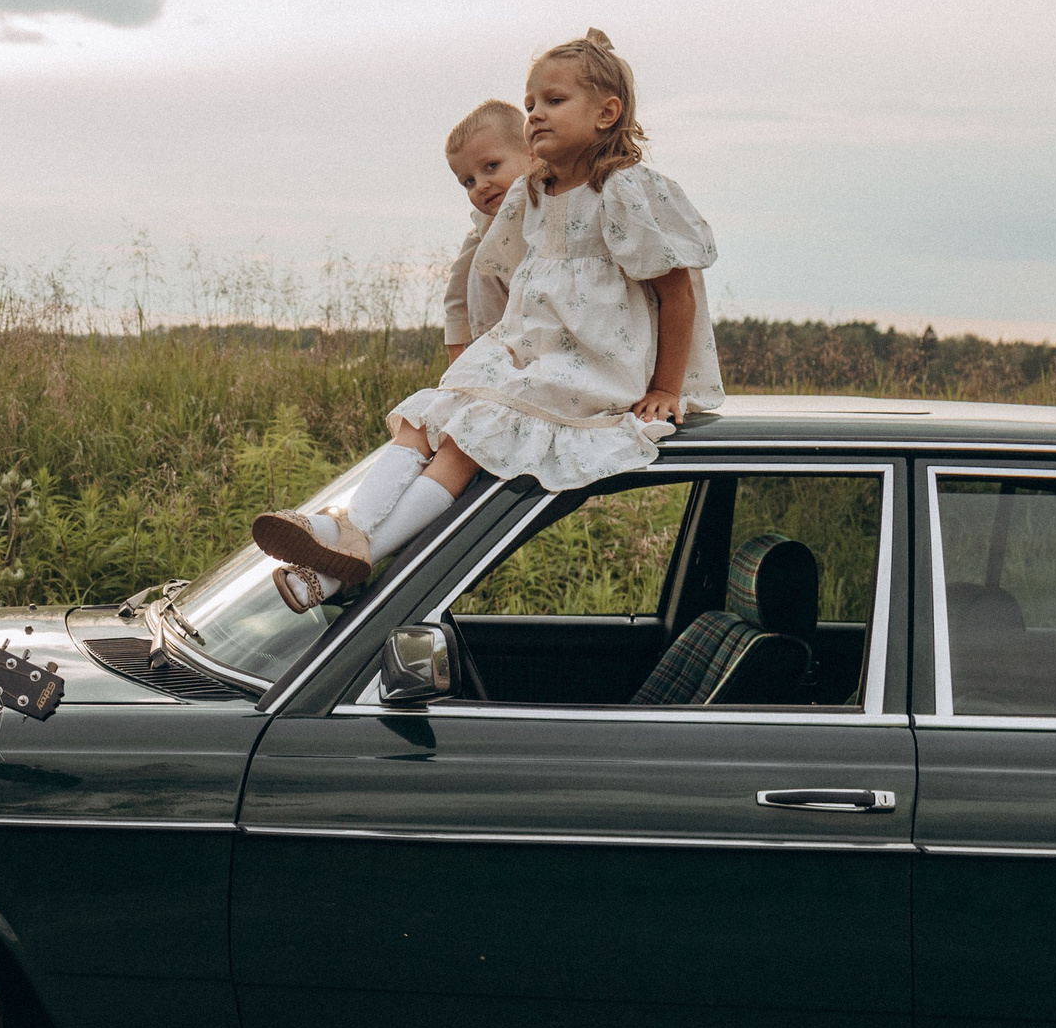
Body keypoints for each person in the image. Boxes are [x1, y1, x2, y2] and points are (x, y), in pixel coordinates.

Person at [256, 30, 725, 610]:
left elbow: (677, 294)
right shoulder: (534, 192)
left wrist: (666, 388)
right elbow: (489, 275)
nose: (535, 114)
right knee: (422, 420)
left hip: (590, 366)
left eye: (553, 100)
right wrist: (484, 355)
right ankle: (344, 551)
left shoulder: (623, 189)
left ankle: (345, 536)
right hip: (531, 353)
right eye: (530, 104)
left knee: (464, 442)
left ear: (607, 113)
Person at [440, 98, 534, 362]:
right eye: (468, 181)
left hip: (549, 328)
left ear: (532, 154)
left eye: (491, 166)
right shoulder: (485, 226)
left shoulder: (556, 201)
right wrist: (455, 349)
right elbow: (457, 291)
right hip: (496, 335)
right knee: (480, 261)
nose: (480, 185)